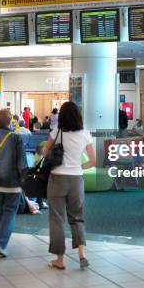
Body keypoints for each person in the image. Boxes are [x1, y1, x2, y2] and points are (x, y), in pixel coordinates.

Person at [43, 101, 96, 271]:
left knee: (56, 219)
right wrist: (79, 167)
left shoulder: (56, 133)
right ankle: (82, 254)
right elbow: (93, 161)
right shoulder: (85, 134)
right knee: (77, 217)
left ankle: (60, 260)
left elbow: (45, 153)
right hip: (76, 180)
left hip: (57, 178)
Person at [0, 109, 27, 257]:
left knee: (1, 211)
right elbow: (22, 161)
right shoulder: (16, 137)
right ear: (10, 122)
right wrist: (24, 178)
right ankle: (0, 243)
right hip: (12, 182)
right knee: (9, 212)